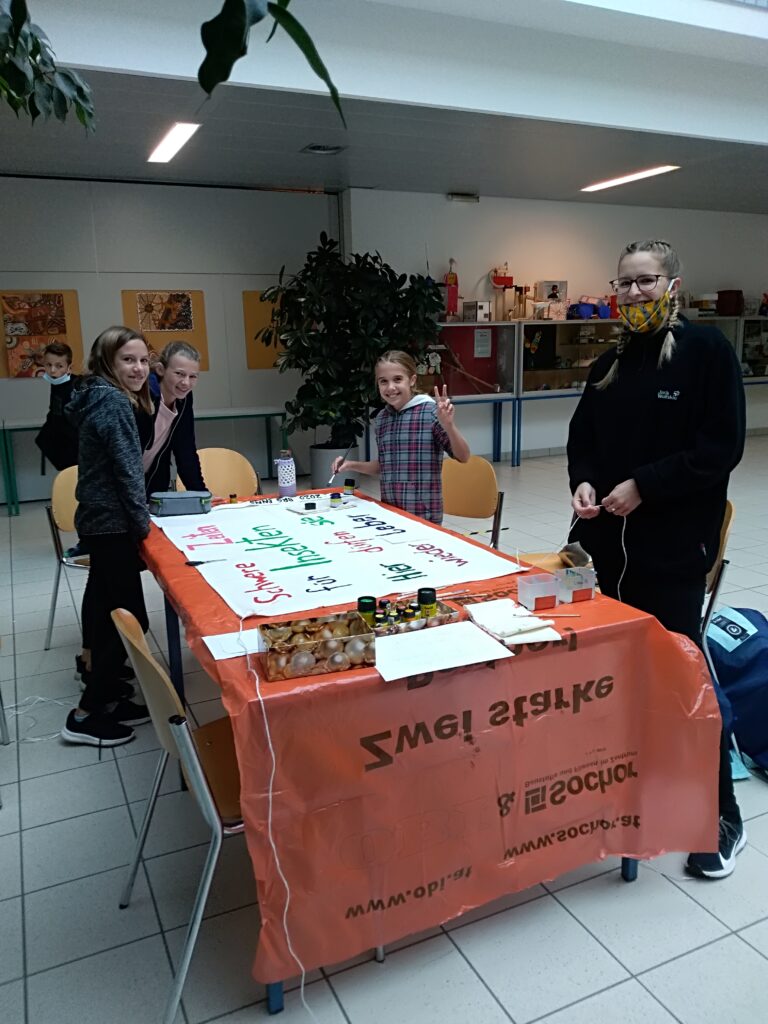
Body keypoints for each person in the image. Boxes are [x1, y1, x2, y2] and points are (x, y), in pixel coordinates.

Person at [567, 239, 746, 879]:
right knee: (610, 673)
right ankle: (624, 778)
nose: (634, 293)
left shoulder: (707, 353)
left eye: (646, 281)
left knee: (683, 677)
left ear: (672, 285)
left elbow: (720, 448)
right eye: (625, 282)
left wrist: (645, 485)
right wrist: (584, 481)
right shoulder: (611, 362)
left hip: (671, 551)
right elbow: (583, 437)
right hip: (604, 552)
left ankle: (720, 814)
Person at [61, 326, 153, 747]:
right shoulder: (114, 401)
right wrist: (142, 527)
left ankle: (111, 694)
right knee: (132, 619)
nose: (138, 368)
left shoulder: (96, 395)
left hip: (98, 521)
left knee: (104, 613)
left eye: (143, 360)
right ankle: (86, 713)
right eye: (127, 360)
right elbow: (128, 472)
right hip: (112, 524)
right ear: (107, 363)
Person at [332, 350, 470, 524]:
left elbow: (463, 456)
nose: (390, 387)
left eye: (397, 379)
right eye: (383, 381)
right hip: (391, 513)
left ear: (412, 380)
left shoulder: (431, 412)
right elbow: (385, 466)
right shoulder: (382, 418)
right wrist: (350, 465)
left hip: (423, 516)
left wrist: (449, 425)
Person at [136, 341, 206, 496]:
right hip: (120, 482)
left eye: (193, 376)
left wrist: (202, 495)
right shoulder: (143, 395)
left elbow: (186, 450)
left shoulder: (184, 399)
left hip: (153, 481)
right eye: (179, 374)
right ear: (161, 370)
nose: (186, 383)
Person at [35, 342, 80, 471]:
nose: (53, 370)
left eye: (59, 366)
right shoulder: (57, 384)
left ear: (69, 368)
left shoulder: (77, 387)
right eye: (48, 365)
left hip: (77, 450)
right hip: (63, 445)